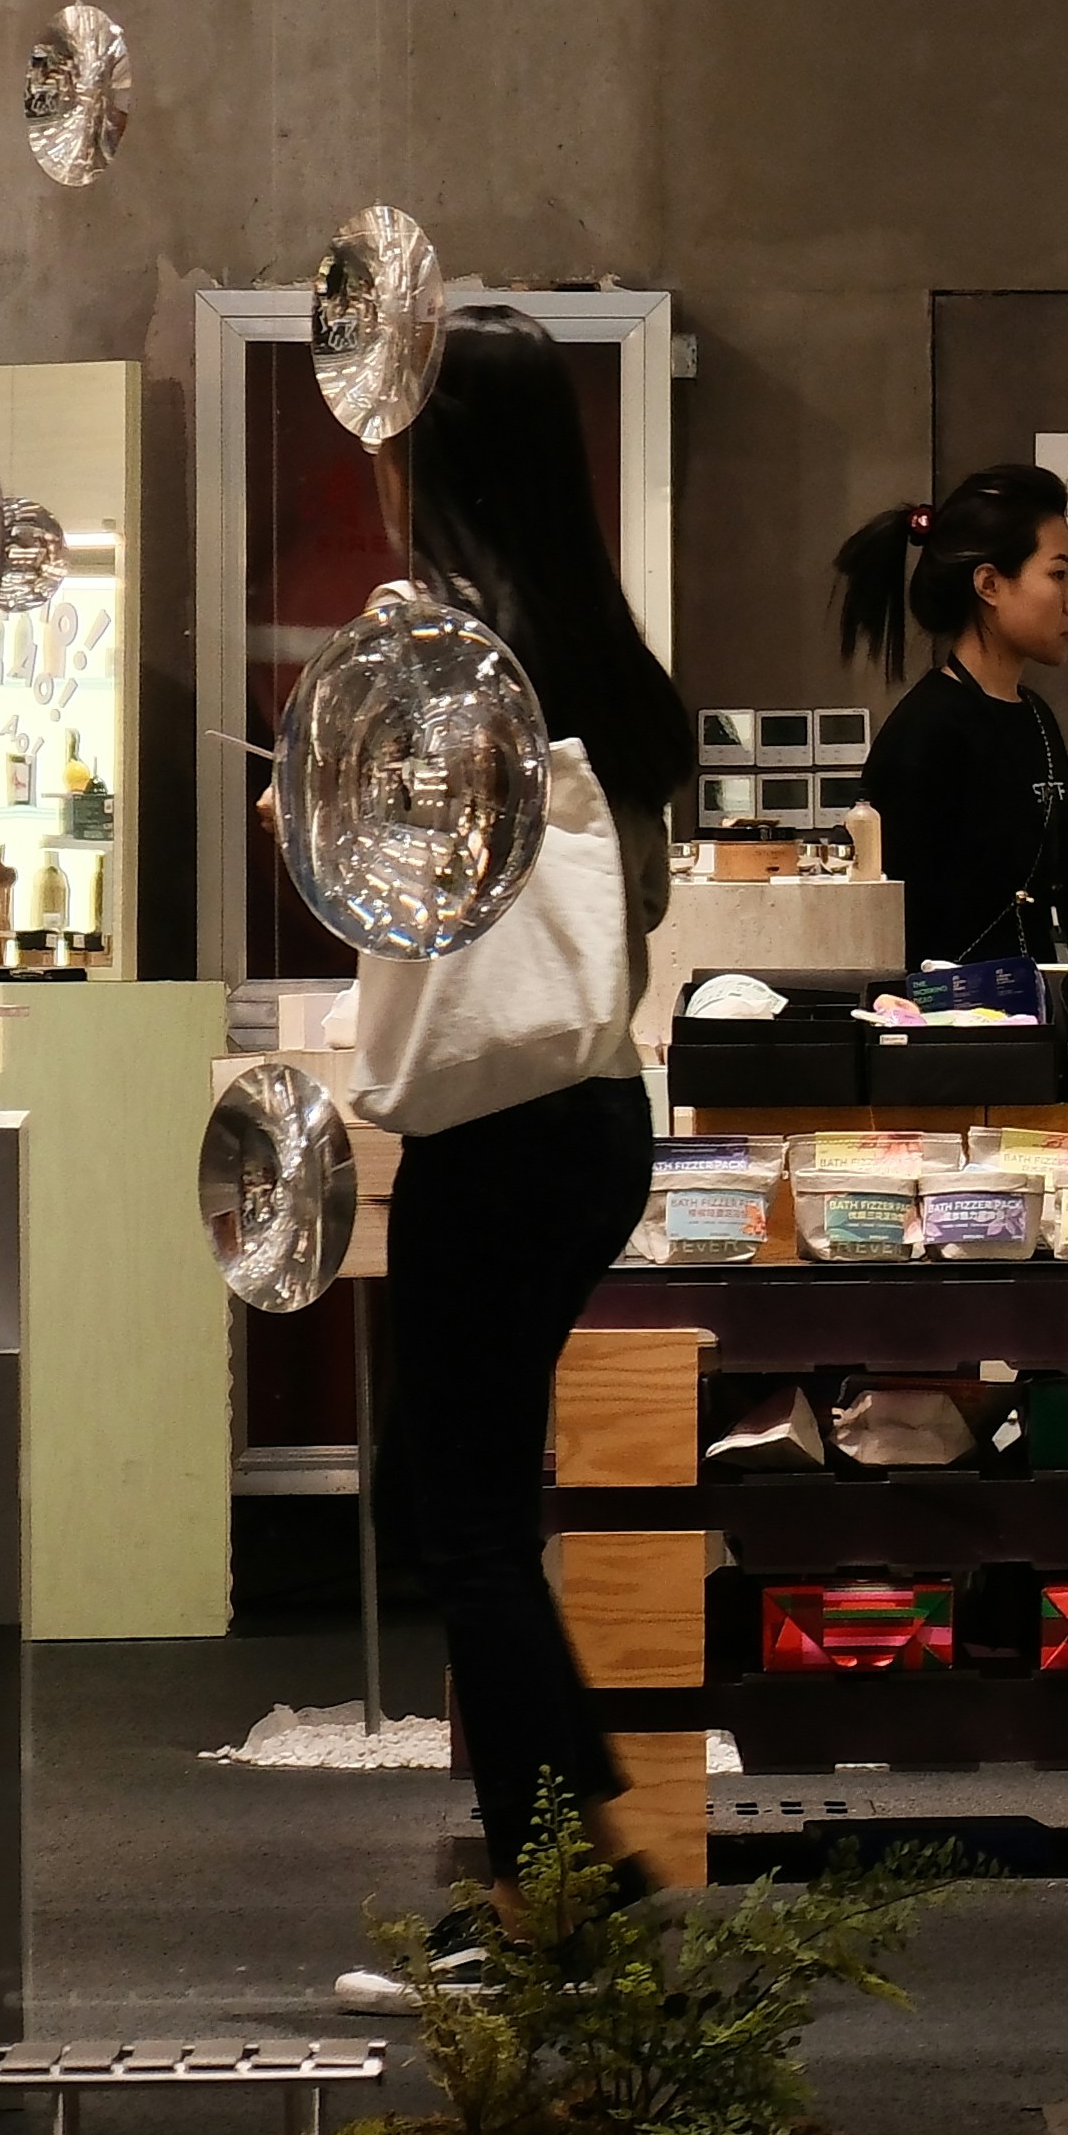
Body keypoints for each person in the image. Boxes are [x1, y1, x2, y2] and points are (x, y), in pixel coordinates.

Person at [344, 317, 687, 1894]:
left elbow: (395, 891)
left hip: (493, 1135)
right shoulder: (601, 658)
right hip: (592, 1115)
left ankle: (565, 1865)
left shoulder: (435, 649)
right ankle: (568, 1824)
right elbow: (644, 906)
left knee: (461, 1511)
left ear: (447, 453)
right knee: (441, 1486)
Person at [833, 461, 1068, 964]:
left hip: (1043, 1019)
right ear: (989, 585)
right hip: (956, 1029)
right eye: (1058, 575)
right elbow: (899, 923)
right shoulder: (925, 732)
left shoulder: (1037, 717)